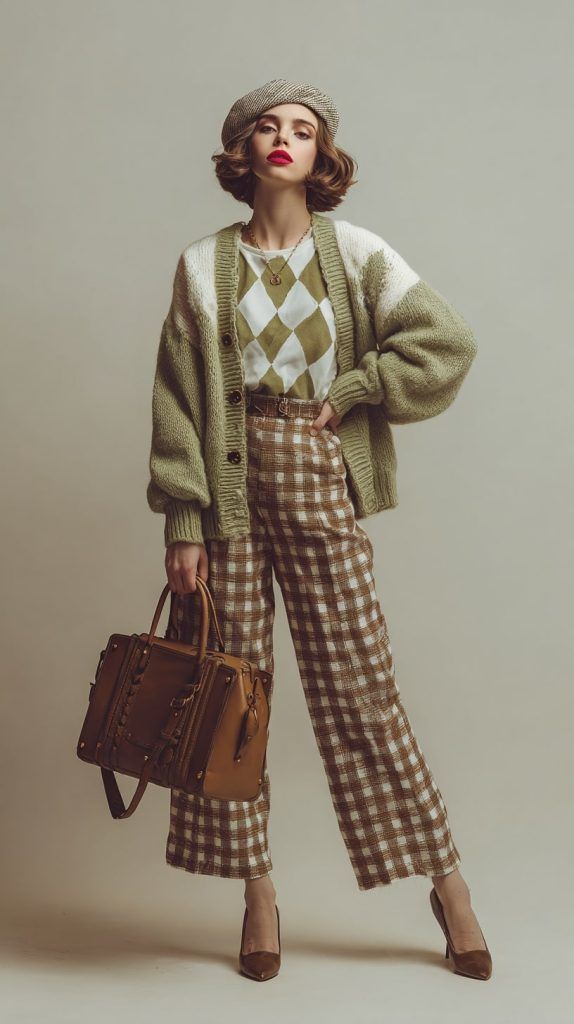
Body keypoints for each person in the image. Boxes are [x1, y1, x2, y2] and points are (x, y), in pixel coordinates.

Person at [146, 78, 492, 982]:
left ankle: (449, 886)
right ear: (243, 151)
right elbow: (179, 399)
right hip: (226, 487)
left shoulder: (359, 252)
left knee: (360, 686)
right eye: (267, 127)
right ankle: (258, 895)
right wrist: (184, 517)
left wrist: (363, 385)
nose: (284, 139)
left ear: (320, 155)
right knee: (229, 693)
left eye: (302, 130)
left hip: (314, 464)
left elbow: (446, 341)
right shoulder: (200, 264)